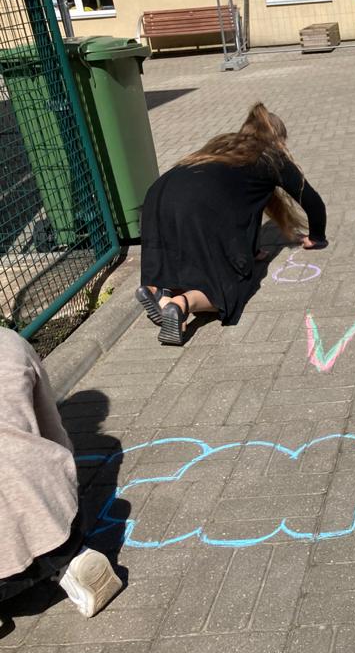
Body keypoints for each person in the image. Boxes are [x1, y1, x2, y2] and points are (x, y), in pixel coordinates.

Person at [136, 103, 328, 345]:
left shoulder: (224, 143)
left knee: (179, 260)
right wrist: (317, 236)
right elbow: (311, 200)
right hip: (199, 204)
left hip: (158, 195)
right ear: (279, 140)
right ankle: (181, 304)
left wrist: (254, 250)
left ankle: (157, 292)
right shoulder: (271, 157)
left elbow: (248, 204)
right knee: (226, 288)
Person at [0, 328, 122, 618]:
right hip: (54, 523)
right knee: (46, 483)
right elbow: (53, 432)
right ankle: (72, 559)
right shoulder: (9, 342)